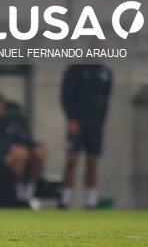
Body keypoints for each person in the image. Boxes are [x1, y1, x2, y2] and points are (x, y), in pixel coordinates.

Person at [0, 93, 47, 206]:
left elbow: (26, 139)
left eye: (0, 104)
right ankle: (20, 193)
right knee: (20, 155)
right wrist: (10, 149)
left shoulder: (13, 121)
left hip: (23, 152)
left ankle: (29, 190)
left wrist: (34, 148)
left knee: (39, 152)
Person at [59, 64, 113, 209]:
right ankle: (65, 199)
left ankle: (91, 200)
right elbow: (66, 95)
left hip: (95, 124)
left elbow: (106, 98)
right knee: (72, 160)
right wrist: (71, 118)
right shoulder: (75, 70)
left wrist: (101, 121)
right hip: (78, 122)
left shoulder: (105, 72)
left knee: (92, 162)